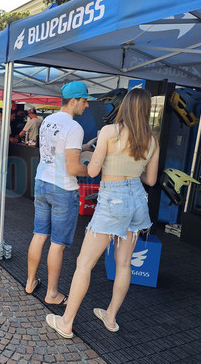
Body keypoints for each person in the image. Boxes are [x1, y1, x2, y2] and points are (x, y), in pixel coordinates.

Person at [45, 88, 159, 338]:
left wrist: (94, 156)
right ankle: (110, 316)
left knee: (84, 264)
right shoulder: (152, 139)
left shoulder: (109, 132)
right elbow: (150, 179)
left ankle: (66, 322)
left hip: (113, 200)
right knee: (124, 264)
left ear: (126, 107)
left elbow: (94, 171)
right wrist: (130, 169)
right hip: (138, 200)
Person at [25, 81, 95, 306]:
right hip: (63, 190)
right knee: (57, 243)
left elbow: (55, 149)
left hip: (42, 182)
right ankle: (52, 294)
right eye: (84, 101)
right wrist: (93, 169)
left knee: (39, 234)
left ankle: (29, 282)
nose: (86, 106)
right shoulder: (74, 127)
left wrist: (83, 147)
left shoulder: (48, 121)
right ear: (73, 101)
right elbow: (73, 169)